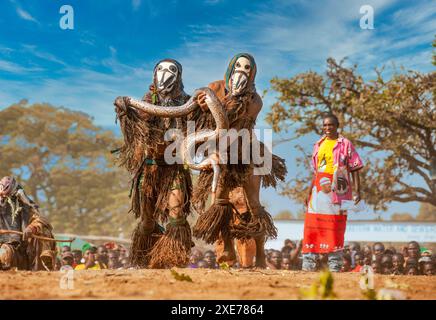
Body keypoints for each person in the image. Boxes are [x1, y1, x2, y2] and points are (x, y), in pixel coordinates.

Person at [192, 53, 286, 268]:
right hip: (218, 153)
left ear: (252, 73)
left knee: (252, 205)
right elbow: (201, 116)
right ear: (231, 68)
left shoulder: (255, 100)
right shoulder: (213, 87)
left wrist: (216, 104)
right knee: (219, 203)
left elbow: (232, 117)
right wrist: (203, 106)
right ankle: (225, 254)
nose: (241, 71)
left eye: (247, 68)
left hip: (245, 153)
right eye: (238, 66)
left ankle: (259, 255)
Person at [114, 59, 194, 268]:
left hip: (175, 167)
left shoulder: (188, 101)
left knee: (176, 212)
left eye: (171, 70)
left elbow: (199, 120)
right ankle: (143, 256)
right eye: (161, 69)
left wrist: (202, 104)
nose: (165, 74)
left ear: (178, 76)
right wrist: (124, 108)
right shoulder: (147, 100)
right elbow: (139, 118)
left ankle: (173, 257)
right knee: (147, 220)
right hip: (150, 167)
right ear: (154, 74)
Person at [302, 114, 364, 272]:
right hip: (318, 190)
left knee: (335, 226)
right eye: (325, 125)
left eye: (330, 125)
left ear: (337, 126)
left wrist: (358, 190)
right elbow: (315, 172)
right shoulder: (318, 144)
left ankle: (335, 266)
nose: (327, 128)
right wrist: (308, 192)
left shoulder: (345, 144)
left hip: (339, 190)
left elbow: (355, 168)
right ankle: (308, 265)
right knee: (312, 226)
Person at [0, 176, 56, 271]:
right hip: (6, 247)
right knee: (4, 252)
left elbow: (41, 220)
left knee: (44, 230)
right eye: (4, 197)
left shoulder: (26, 205)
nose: (7, 199)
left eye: (10, 196)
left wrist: (31, 228)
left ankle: (44, 262)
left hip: (27, 249)